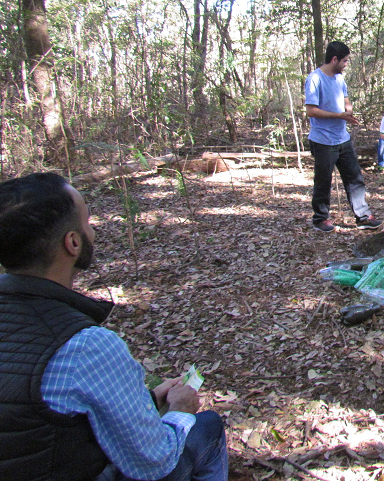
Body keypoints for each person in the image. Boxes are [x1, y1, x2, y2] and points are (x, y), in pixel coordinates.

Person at [0, 173, 228, 480]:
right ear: (73, 242)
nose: (93, 230)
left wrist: (147, 402)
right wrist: (181, 411)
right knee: (207, 427)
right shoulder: (84, 347)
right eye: (87, 221)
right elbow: (154, 462)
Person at [304, 41, 382, 232]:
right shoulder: (315, 79)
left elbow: (346, 98)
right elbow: (311, 111)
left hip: (343, 138)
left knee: (354, 178)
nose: (346, 64)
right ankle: (320, 219)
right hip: (323, 140)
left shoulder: (339, 79)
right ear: (334, 59)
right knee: (323, 182)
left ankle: (363, 217)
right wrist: (339, 116)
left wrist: (348, 110)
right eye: (345, 61)